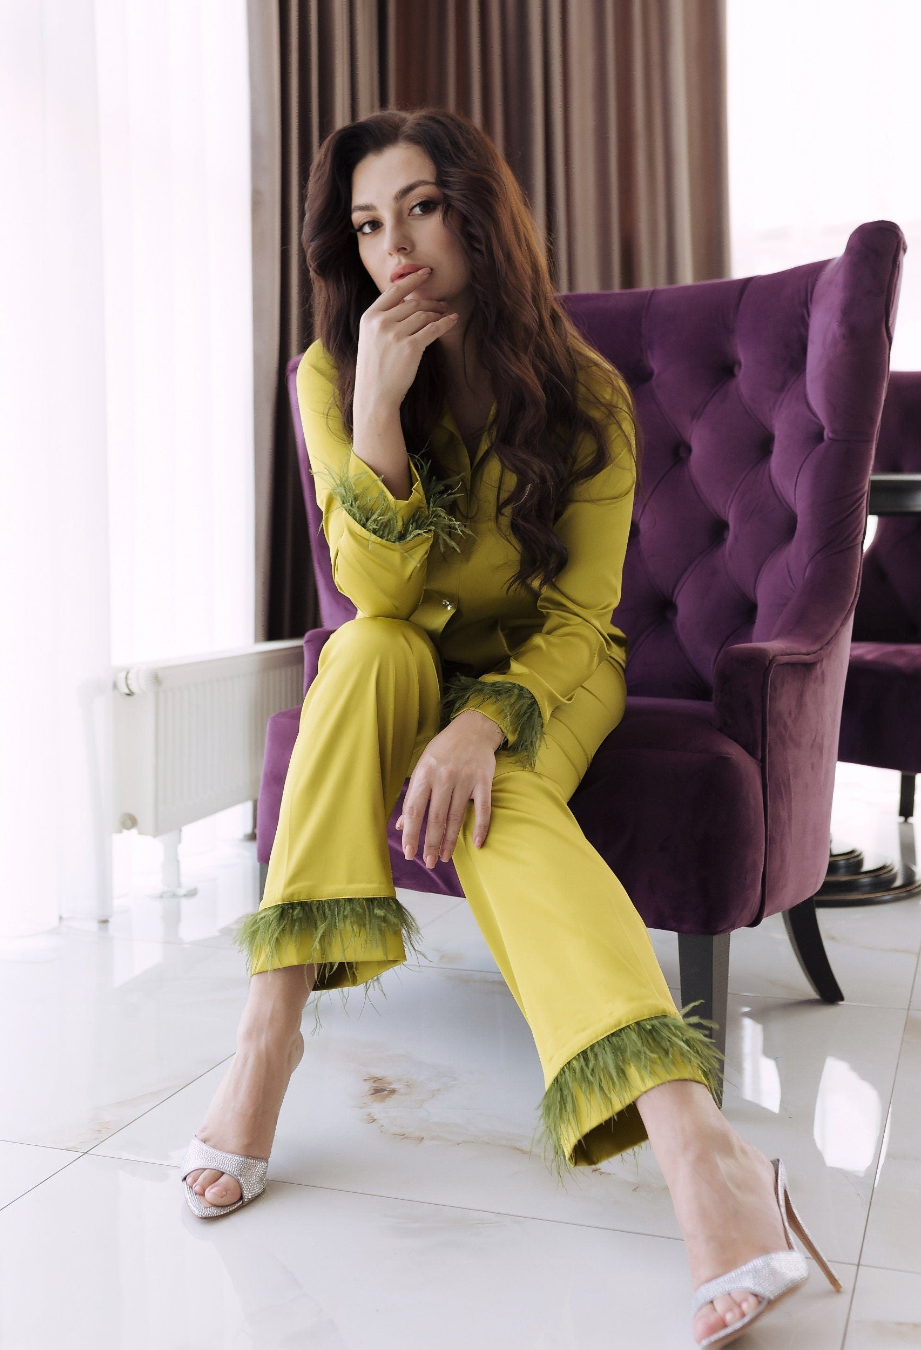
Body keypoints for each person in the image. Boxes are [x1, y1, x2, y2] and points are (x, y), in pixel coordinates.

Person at [180, 109, 840, 1348]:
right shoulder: (333, 373)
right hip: (403, 653)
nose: (396, 250)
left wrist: (485, 724)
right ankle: (267, 1036)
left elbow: (584, 612)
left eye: (422, 208)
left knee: (499, 799)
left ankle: (698, 1150)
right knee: (366, 649)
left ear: (481, 214)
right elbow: (372, 602)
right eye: (370, 224)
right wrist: (378, 412)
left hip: (556, 667)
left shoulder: (583, 389)